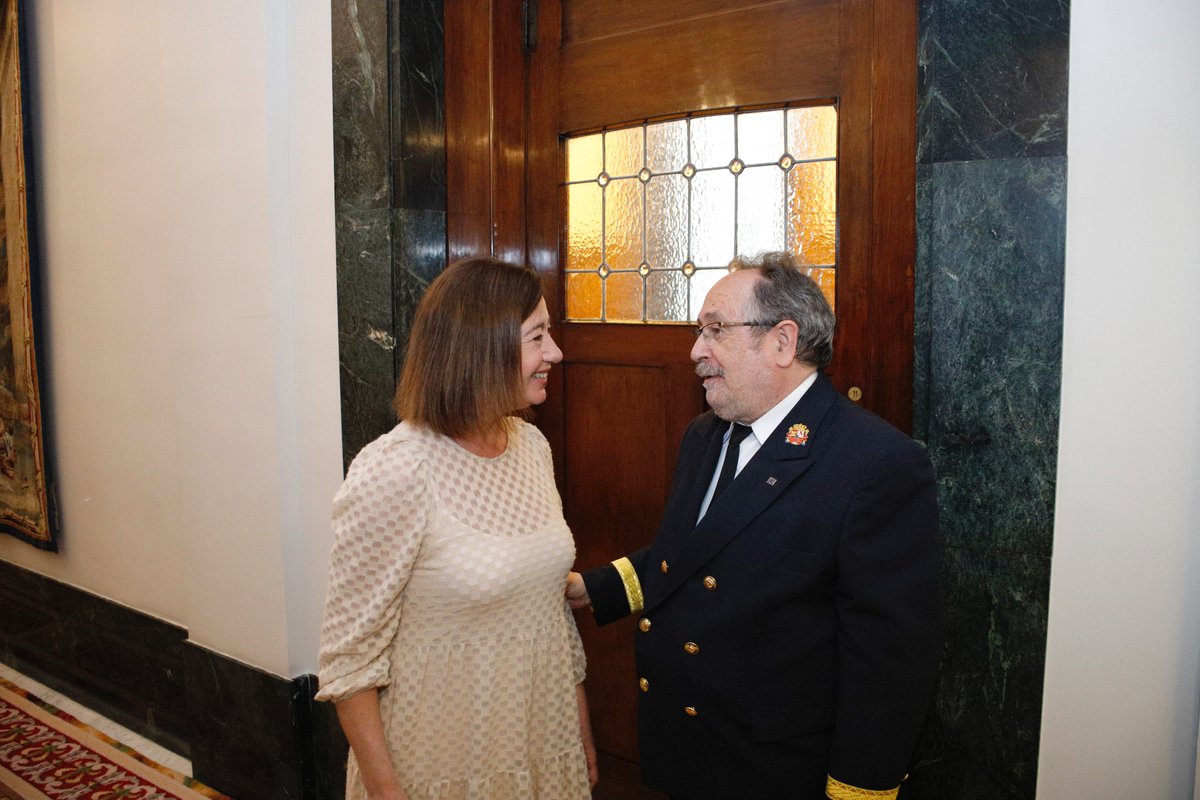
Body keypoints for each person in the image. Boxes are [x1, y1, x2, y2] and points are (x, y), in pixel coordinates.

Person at [567, 252, 942, 800]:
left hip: (775, 770)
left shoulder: (875, 464)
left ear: (783, 343)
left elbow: (889, 658)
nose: (696, 350)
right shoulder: (705, 435)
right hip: (690, 748)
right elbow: (694, 556)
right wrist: (593, 588)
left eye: (715, 330)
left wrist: (859, 789)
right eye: (700, 331)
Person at [317, 257, 597, 800]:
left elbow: (552, 614)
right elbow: (349, 664)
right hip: (440, 761)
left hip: (542, 742)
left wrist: (580, 731)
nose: (556, 353)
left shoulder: (531, 447)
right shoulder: (396, 469)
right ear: (480, 347)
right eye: (537, 336)